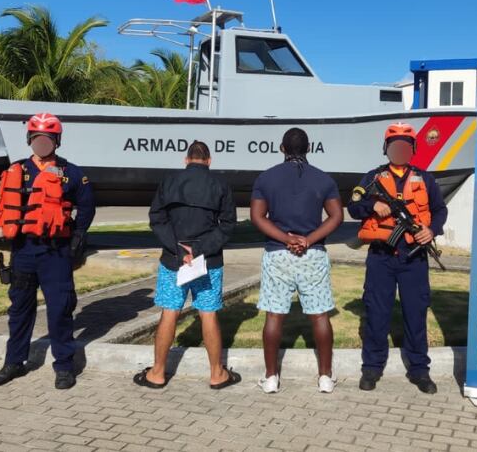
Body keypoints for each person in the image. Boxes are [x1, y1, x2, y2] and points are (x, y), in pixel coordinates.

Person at [0, 112, 96, 390]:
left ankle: (64, 366)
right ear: (30, 139)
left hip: (56, 253)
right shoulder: (17, 169)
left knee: (60, 310)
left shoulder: (71, 173)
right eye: (37, 138)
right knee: (20, 309)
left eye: (47, 139)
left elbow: (87, 206)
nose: (42, 144)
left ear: (56, 141)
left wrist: (79, 235)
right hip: (23, 251)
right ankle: (13, 362)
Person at [347, 122, 448, 394]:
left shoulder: (425, 178)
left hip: (413, 258)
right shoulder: (372, 177)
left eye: (405, 147)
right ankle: (372, 367)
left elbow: (439, 210)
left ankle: (419, 369)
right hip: (381, 256)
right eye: (394, 147)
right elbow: (353, 206)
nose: (399, 151)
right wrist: (372, 204)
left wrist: (432, 229)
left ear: (412, 150)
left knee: (415, 313)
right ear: (387, 149)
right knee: (377, 312)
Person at [133, 141, 241, 390]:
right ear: (210, 160)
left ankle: (157, 373)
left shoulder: (169, 180)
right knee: (208, 312)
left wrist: (178, 249)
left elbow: (157, 218)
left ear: (186, 159)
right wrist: (200, 250)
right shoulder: (220, 184)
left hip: (173, 259)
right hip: (209, 260)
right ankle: (217, 374)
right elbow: (227, 224)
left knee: (170, 311)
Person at [250, 128, 343, 394]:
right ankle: (325, 377)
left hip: (278, 253)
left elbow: (258, 217)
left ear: (282, 149)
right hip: (312, 255)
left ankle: (270, 378)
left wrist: (285, 238)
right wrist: (308, 240)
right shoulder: (323, 179)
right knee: (320, 315)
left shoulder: (266, 178)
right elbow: (336, 217)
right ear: (309, 148)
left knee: (274, 315)